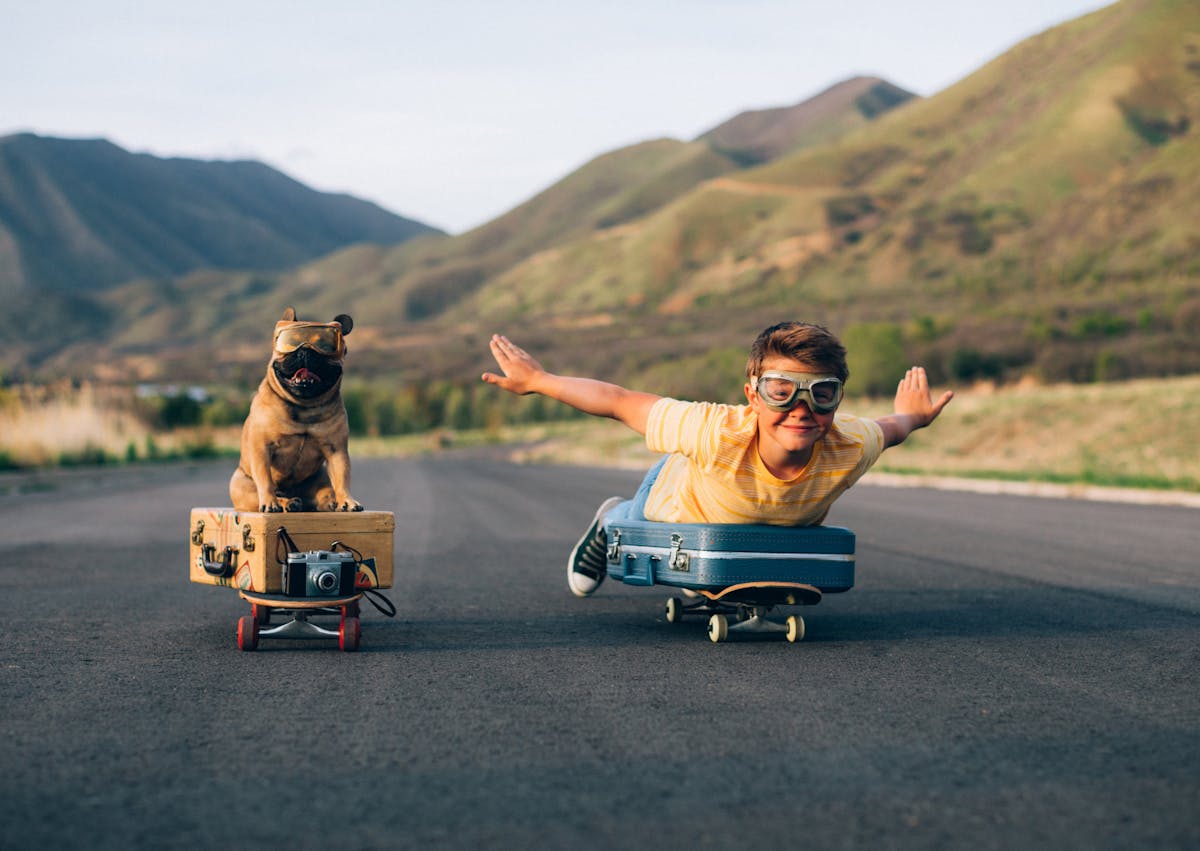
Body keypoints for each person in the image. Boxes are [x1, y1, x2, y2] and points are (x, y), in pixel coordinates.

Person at [481, 321, 953, 597]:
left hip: (745, 522)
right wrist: (539, 381)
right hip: (676, 499)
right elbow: (619, 401)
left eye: (821, 394)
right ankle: (609, 522)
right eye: (781, 392)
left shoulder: (852, 443)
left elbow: (894, 428)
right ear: (752, 395)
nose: (801, 410)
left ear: (837, 399)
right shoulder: (713, 430)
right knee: (641, 514)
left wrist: (913, 417)